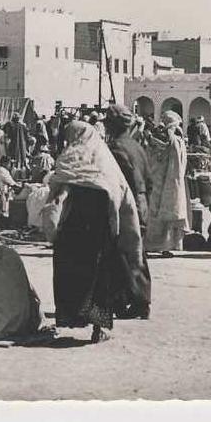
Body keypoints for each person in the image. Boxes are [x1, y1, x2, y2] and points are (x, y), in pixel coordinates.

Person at [46, 121, 144, 343]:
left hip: (75, 228)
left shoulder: (70, 158)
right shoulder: (105, 160)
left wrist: (52, 224)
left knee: (73, 272)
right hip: (101, 227)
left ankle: (73, 317)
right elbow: (120, 194)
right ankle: (98, 327)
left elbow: (57, 193)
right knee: (100, 276)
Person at [105, 104, 153, 318]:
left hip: (126, 203)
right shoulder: (137, 147)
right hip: (141, 202)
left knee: (123, 251)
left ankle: (132, 300)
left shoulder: (115, 148)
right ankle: (138, 300)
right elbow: (149, 180)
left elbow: (118, 182)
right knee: (137, 250)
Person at [144, 111, 189, 253]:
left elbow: (159, 155)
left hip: (162, 180)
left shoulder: (171, 139)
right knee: (171, 211)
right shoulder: (178, 140)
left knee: (158, 211)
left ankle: (159, 245)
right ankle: (170, 245)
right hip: (174, 182)